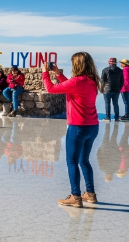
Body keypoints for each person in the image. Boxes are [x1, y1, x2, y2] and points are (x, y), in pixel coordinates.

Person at [42, 53, 101, 208]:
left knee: (72, 161)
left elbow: (50, 89)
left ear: (76, 65)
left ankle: (75, 196)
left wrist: (45, 73)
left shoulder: (77, 81)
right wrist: (58, 74)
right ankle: (90, 194)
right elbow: (70, 86)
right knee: (84, 160)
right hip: (93, 126)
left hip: (77, 127)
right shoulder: (92, 81)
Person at [100, 57, 124, 122]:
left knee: (107, 103)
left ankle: (108, 117)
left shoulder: (105, 70)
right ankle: (116, 118)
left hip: (107, 89)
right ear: (116, 63)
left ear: (109, 62)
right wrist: (119, 88)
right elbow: (122, 81)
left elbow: (102, 81)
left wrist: (101, 89)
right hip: (116, 89)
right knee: (115, 103)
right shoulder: (120, 71)